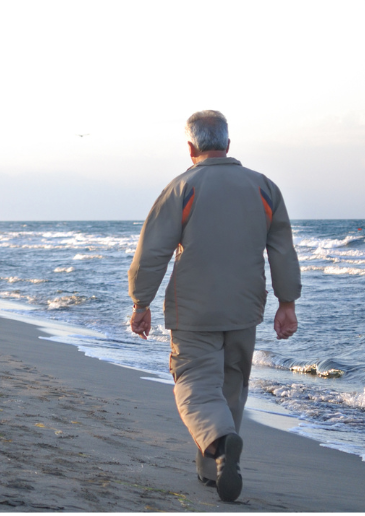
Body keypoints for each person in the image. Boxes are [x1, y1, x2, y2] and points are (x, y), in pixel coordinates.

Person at [127, 110, 301, 502]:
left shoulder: (182, 187)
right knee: (232, 385)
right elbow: (282, 250)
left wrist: (141, 302)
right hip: (245, 307)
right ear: (227, 143)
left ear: (191, 147)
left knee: (194, 383)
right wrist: (286, 303)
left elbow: (152, 251)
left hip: (193, 309)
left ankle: (221, 445)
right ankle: (213, 471)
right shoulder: (264, 188)